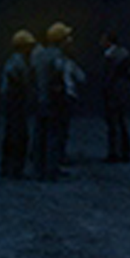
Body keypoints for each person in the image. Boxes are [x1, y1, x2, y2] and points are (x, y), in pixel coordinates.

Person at [30, 21, 85, 180]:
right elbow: (61, 77)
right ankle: (51, 169)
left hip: (41, 99)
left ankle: (38, 168)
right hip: (54, 102)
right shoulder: (58, 57)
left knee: (40, 135)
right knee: (54, 135)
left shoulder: (39, 55)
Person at [0, 29, 36, 178]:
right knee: (19, 136)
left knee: (11, 135)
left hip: (12, 103)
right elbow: (24, 83)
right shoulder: (18, 63)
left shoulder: (12, 61)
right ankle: (15, 169)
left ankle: (7, 167)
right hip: (16, 103)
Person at [100, 32, 130, 163]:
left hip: (115, 93)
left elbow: (109, 76)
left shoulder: (112, 56)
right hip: (121, 92)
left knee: (115, 124)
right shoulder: (122, 54)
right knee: (120, 123)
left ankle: (115, 152)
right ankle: (123, 151)